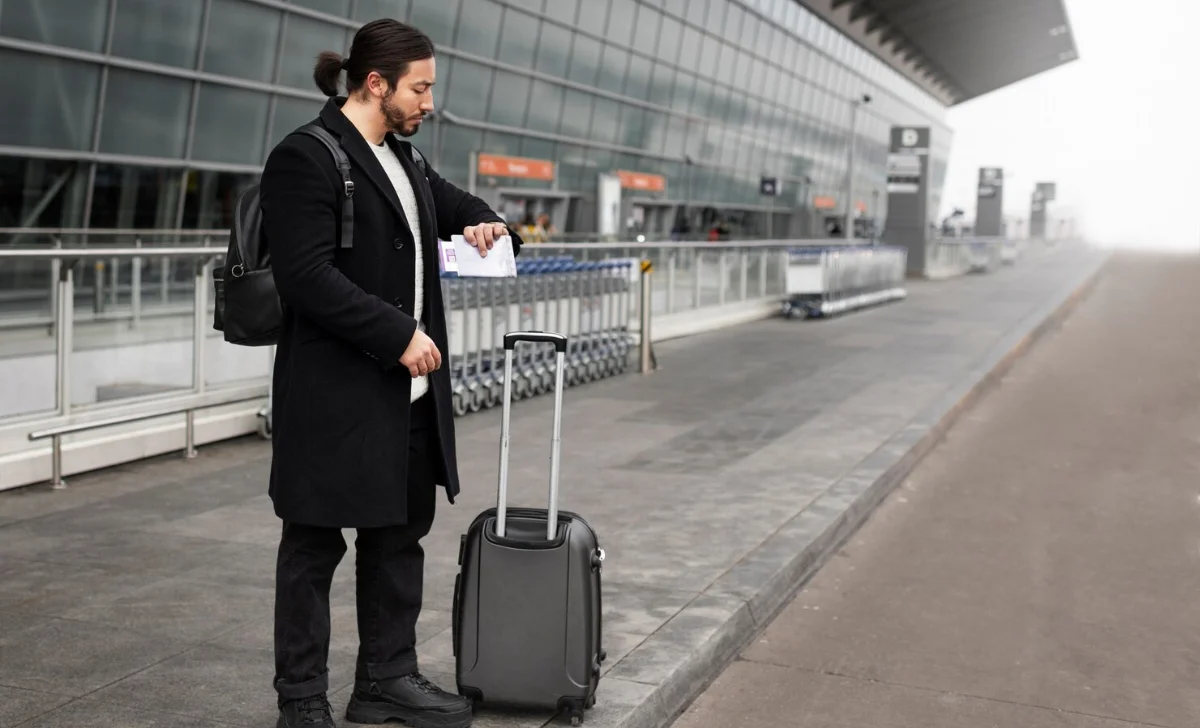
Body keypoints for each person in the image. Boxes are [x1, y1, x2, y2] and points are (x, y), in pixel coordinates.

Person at [259, 18, 521, 728]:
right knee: (313, 545)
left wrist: (488, 221)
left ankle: (386, 679)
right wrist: (399, 332)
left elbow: (454, 205)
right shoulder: (305, 158)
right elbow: (306, 277)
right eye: (420, 87)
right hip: (334, 394)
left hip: (404, 396)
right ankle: (302, 700)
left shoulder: (404, 159)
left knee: (400, 535)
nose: (429, 101)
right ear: (376, 83)